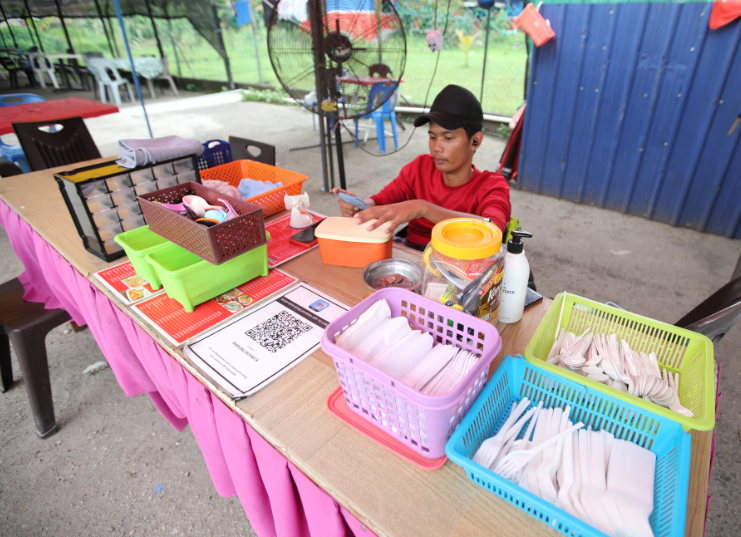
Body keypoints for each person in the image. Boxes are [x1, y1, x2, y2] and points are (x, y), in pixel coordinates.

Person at [333, 84, 511, 251]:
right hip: (412, 256)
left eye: (448, 138)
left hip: (460, 266)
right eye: (433, 137)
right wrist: (360, 207)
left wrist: (423, 208)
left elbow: (492, 230)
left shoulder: (492, 185)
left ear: (475, 141)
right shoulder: (420, 168)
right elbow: (380, 202)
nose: (436, 148)